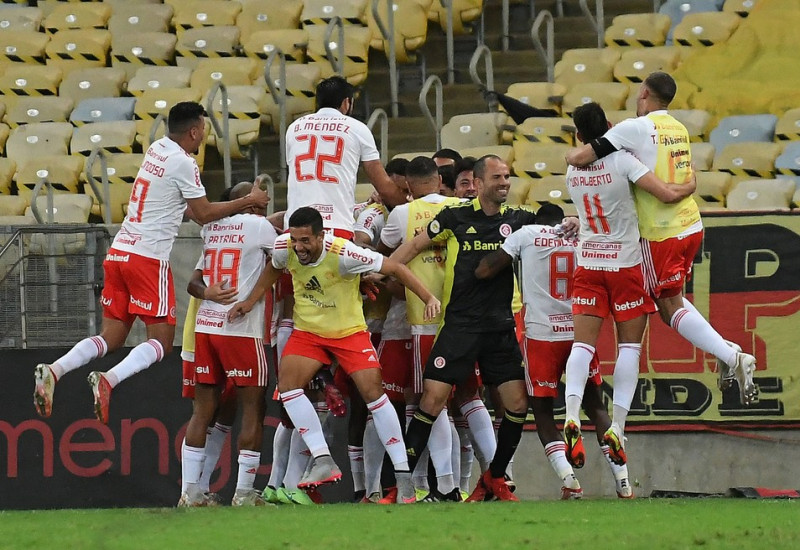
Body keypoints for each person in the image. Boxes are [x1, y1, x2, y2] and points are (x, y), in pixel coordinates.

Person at [33, 101, 269, 424]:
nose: (203, 140)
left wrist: (211, 212)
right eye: (202, 132)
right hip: (147, 259)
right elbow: (201, 213)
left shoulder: (157, 148)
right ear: (194, 130)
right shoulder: (185, 163)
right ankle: (109, 380)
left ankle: (55, 370)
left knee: (111, 338)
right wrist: (248, 202)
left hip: (118, 253)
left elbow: (176, 205)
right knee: (161, 342)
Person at [565, 72, 757, 406]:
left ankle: (731, 355)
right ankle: (727, 355)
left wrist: (574, 154)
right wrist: (689, 187)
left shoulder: (634, 128)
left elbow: (580, 158)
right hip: (691, 226)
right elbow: (685, 174)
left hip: (661, 234)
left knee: (670, 309)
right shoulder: (678, 128)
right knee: (676, 299)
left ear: (644, 94)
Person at [228, 207, 441, 504]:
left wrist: (429, 297)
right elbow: (275, 268)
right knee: (288, 387)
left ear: (320, 235)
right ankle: (323, 459)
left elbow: (395, 268)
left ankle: (403, 478)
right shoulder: (285, 248)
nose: (299, 247)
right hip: (308, 333)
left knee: (374, 396)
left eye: (305, 240)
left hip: (349, 332)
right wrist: (250, 301)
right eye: (295, 239)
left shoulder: (344, 253)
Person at [391, 155, 554, 501]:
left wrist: (568, 224)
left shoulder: (520, 220)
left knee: (516, 406)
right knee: (431, 402)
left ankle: (494, 477)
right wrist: (386, 267)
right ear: (478, 184)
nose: (505, 182)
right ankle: (400, 483)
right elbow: (415, 246)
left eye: (508, 176)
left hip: (499, 330)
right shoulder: (454, 217)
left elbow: (551, 226)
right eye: (497, 177)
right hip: (460, 327)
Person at [561, 101, 698, 467]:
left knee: (583, 346)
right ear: (609, 126)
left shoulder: (571, 171)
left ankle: (572, 413)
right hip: (625, 265)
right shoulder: (622, 160)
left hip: (588, 262)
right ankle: (617, 427)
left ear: (578, 135)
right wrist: (691, 183)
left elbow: (582, 161)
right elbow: (667, 194)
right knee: (630, 348)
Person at [475, 203, 634, 499]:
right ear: (564, 220)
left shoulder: (526, 234)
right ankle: (624, 483)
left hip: (541, 337)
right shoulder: (582, 237)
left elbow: (486, 269)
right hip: (579, 334)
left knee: (544, 413)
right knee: (596, 408)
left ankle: (569, 481)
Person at [179, 181, 278, 507]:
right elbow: (285, 255)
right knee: (254, 407)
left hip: (206, 327)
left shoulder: (212, 229)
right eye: (256, 199)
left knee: (202, 410)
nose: (262, 203)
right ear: (245, 203)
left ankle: (191, 493)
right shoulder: (259, 227)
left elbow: (196, 282)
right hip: (240, 328)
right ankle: (245, 492)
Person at [285, 76, 407, 239]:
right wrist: (411, 206)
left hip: (295, 231)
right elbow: (384, 187)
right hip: (337, 227)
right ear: (346, 102)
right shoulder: (357, 128)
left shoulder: (294, 128)